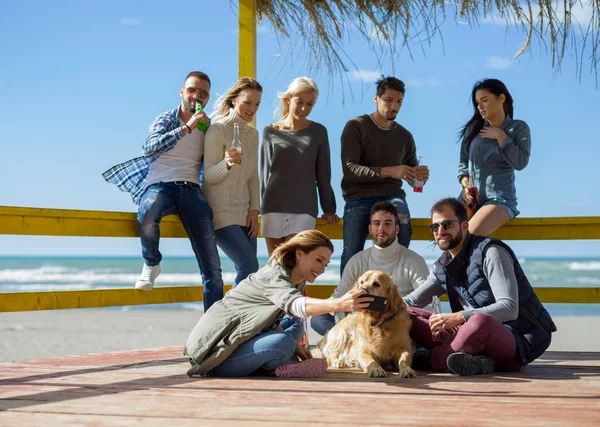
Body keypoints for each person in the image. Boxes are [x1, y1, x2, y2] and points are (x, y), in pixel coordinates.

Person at [102, 71, 223, 310]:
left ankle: (213, 326)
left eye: (202, 93)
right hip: (161, 185)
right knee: (148, 212)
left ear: (207, 98)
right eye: (192, 90)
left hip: (192, 189)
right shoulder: (166, 118)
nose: (196, 96)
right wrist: (185, 129)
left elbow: (214, 160)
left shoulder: (209, 127)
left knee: (212, 265)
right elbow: (149, 147)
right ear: (182, 91)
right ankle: (151, 263)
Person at [184, 230, 373, 378]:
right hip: (217, 356)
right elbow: (297, 304)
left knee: (294, 323)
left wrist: (297, 346)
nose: (322, 269)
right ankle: (281, 365)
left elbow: (271, 321)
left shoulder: (296, 278)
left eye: (325, 264)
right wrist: (338, 304)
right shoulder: (274, 276)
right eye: (318, 260)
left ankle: (281, 360)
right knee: (283, 342)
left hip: (243, 336)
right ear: (299, 254)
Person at [403, 198, 556, 376]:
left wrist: (459, 317)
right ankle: (478, 361)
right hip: (469, 333)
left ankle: (422, 360)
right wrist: (369, 306)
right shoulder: (443, 266)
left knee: (479, 321)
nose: (440, 231)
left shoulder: (491, 252)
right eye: (434, 227)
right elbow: (409, 301)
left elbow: (509, 308)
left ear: (464, 226)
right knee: (406, 313)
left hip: (517, 338)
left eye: (447, 224)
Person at [340, 75, 429, 275]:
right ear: (376, 99)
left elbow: (412, 175)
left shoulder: (405, 136)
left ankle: (395, 289)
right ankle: (345, 302)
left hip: (392, 196)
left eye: (399, 102)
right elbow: (350, 169)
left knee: (403, 227)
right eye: (389, 100)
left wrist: (420, 175)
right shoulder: (356, 126)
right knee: (352, 250)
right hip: (358, 196)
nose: (394, 106)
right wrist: (390, 171)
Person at [311, 201, 430, 336]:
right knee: (319, 319)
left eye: (388, 223)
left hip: (398, 325)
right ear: (370, 229)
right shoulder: (357, 260)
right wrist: (345, 328)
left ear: (397, 229)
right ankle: (354, 342)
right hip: (362, 326)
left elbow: (428, 304)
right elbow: (339, 298)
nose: (381, 228)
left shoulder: (414, 261)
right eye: (377, 223)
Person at [261, 76, 338, 256]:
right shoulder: (269, 131)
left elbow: (323, 174)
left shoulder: (318, 132)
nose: (304, 108)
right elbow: (264, 174)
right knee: (275, 265)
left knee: (296, 263)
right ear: (288, 99)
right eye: (300, 102)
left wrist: (329, 209)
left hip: (304, 208)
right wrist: (259, 208)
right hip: (273, 206)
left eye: (310, 104)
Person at [202, 77, 262, 287]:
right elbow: (209, 176)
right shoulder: (217, 129)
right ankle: (231, 316)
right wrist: (226, 164)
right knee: (248, 267)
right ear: (234, 100)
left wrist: (255, 209)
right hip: (221, 210)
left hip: (245, 213)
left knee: (249, 274)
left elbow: (254, 176)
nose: (252, 109)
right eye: (247, 102)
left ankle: (243, 319)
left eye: (256, 104)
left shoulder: (253, 134)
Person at [458, 78, 531, 236]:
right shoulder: (473, 129)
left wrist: (501, 136)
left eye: (484, 100)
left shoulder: (518, 128)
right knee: (448, 232)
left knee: (468, 234)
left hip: (500, 199)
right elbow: (463, 164)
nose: (480, 107)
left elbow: (521, 162)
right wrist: (465, 187)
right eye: (477, 103)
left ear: (501, 98)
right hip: (470, 199)